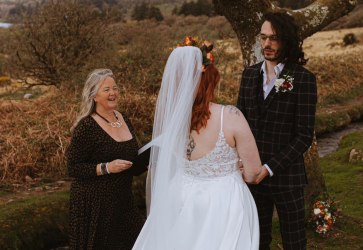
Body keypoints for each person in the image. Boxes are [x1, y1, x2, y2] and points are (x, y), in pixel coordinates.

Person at [133, 44, 268, 250]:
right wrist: (236, 167)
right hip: (224, 202)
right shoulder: (230, 116)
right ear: (210, 81)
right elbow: (252, 174)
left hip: (179, 196)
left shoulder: (173, 120)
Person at [237, 12, 318, 250]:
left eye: (274, 38)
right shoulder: (249, 75)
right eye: (263, 38)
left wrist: (270, 168)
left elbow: (304, 135)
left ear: (287, 40)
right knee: (257, 242)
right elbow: (239, 123)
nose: (267, 44)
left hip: (287, 178)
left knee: (294, 242)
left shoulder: (303, 79)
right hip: (252, 178)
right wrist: (243, 162)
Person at [67, 69, 145, 249]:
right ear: (94, 96)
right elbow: (73, 168)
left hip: (123, 199)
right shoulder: (87, 126)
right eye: (107, 89)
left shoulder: (123, 117)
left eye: (115, 88)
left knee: (140, 242)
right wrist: (107, 168)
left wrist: (147, 160)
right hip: (95, 205)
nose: (113, 93)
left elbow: (130, 160)